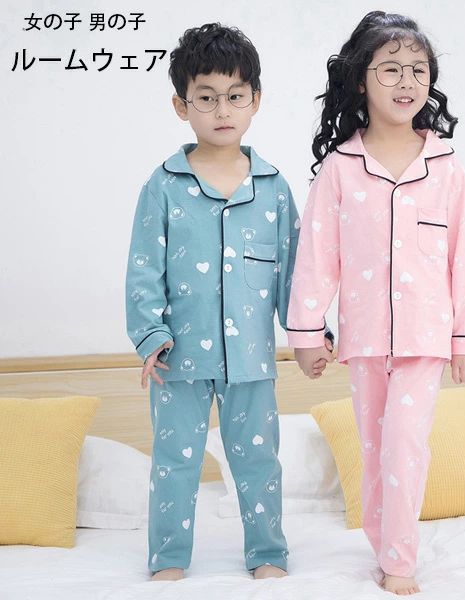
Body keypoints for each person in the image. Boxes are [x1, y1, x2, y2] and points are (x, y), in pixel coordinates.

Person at [286, 11, 465, 595]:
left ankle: (400, 561)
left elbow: (463, 257)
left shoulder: (445, 168)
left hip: (427, 334)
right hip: (366, 336)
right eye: (391, 69)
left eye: (418, 70)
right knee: (376, 449)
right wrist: (306, 335)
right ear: (361, 80)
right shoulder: (340, 169)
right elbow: (317, 257)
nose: (407, 82)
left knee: (404, 442)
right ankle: (384, 545)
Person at [125, 23, 322, 581]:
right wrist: (150, 334)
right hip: (178, 359)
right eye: (206, 98)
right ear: (181, 105)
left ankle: (268, 553)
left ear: (255, 100)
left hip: (252, 362)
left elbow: (294, 274)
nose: (222, 110)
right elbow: (143, 268)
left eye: (235, 96)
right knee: (175, 464)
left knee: (258, 462)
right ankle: (168, 558)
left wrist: (309, 336)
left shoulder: (273, 188)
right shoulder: (163, 185)